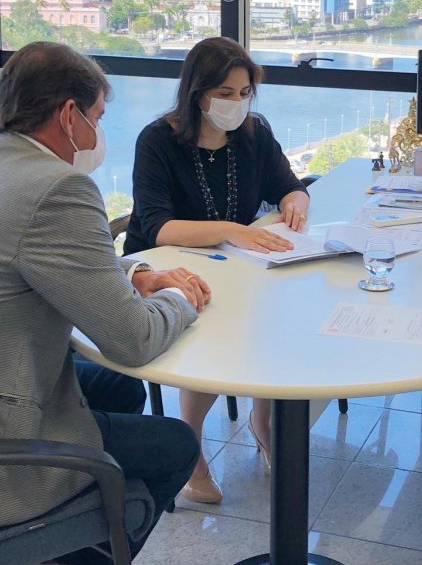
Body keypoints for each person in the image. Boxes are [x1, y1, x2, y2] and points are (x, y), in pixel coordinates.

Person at [0, 41, 214, 565]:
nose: (100, 133)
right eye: (98, 117)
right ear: (68, 115)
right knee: (174, 446)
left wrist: (139, 273)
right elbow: (133, 340)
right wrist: (180, 297)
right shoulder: (58, 187)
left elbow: (46, 258)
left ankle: (65, 563)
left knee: (120, 389)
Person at [124, 36, 310, 505]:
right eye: (225, 93)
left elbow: (290, 185)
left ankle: (263, 422)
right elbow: (158, 227)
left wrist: (295, 202)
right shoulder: (158, 141)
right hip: (163, 270)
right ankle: (191, 446)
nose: (237, 103)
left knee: (274, 316)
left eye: (245, 93)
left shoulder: (253, 133)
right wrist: (232, 230)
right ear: (197, 93)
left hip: (232, 261)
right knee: (210, 327)